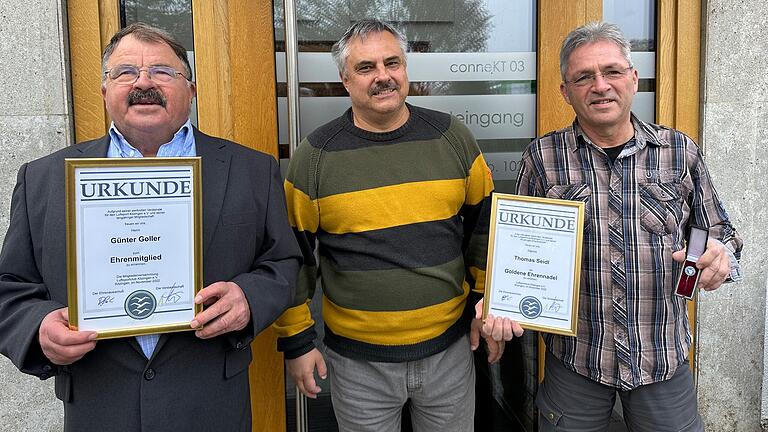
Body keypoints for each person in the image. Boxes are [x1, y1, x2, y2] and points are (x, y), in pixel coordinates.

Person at [0, 23, 301, 431]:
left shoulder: (252, 170)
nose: (143, 82)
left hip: (211, 405)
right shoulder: (44, 178)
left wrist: (249, 297)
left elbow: (284, 261)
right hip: (100, 407)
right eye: (125, 72)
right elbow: (11, 287)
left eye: (162, 71)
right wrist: (38, 329)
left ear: (191, 90)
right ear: (105, 91)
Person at [273, 19, 521, 432]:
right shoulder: (314, 157)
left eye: (392, 63)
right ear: (344, 79)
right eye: (366, 67)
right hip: (358, 366)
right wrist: (298, 343)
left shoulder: (452, 138)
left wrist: (485, 304)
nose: (383, 76)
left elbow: (485, 232)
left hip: (450, 354)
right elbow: (294, 257)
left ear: (406, 68)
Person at [514, 22, 743, 431]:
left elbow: (720, 231)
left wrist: (722, 256)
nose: (600, 85)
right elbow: (520, 253)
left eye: (612, 71)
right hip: (577, 360)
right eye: (583, 77)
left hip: (661, 360)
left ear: (633, 79)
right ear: (565, 92)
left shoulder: (678, 151)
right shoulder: (542, 158)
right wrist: (505, 302)